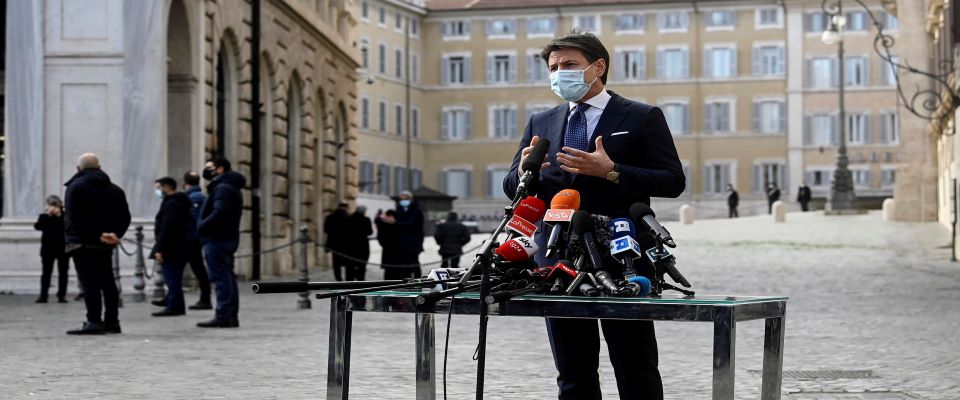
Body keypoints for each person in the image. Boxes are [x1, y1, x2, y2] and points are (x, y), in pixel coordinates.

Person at [503, 30, 685, 399]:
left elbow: (672, 181)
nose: (559, 74)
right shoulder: (541, 122)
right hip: (557, 258)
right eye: (553, 68)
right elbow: (513, 186)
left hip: (622, 253)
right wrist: (525, 173)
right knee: (572, 369)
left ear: (597, 67)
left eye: (568, 65)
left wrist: (611, 171)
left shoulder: (641, 116)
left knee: (635, 364)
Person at [64, 153, 132, 335]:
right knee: (108, 282)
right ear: (100, 168)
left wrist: (98, 234)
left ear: (78, 169)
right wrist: (114, 234)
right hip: (105, 244)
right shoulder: (115, 190)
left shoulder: (75, 187)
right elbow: (125, 217)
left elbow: (74, 217)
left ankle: (94, 320)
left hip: (82, 242)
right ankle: (112, 321)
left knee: (89, 283)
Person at [196, 156, 245, 328]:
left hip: (217, 238)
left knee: (221, 278)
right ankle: (230, 315)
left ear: (220, 169)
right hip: (226, 238)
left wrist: (201, 226)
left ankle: (223, 314)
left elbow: (219, 212)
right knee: (227, 276)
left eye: (209, 167)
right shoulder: (229, 187)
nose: (206, 170)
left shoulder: (223, 188)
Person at [150, 177, 193, 317]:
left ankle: (175, 306)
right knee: (174, 277)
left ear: (167, 187)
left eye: (160, 187)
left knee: (172, 278)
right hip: (180, 246)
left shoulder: (172, 204)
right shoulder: (178, 202)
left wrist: (159, 249)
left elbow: (166, 228)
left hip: (172, 247)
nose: (159, 190)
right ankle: (173, 303)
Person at [376, 191, 425, 280]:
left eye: (406, 198)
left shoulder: (416, 211)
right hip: (399, 247)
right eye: (401, 199)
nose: (403, 201)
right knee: (402, 270)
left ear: (410, 199)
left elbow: (411, 224)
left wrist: (395, 222)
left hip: (412, 245)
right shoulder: (398, 211)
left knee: (413, 267)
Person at [183, 171, 212, 309]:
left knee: (198, 268)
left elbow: (193, 221)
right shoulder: (201, 196)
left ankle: (205, 298)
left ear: (185, 183)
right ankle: (171, 296)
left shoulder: (193, 198)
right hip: (195, 238)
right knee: (183, 268)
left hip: (191, 239)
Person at [34, 195, 70, 303]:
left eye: (51, 205)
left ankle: (61, 295)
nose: (49, 208)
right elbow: (37, 226)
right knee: (46, 273)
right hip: (48, 249)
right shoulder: (44, 217)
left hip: (63, 249)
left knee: (63, 273)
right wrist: (48, 216)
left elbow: (69, 227)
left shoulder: (65, 216)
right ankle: (43, 295)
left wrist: (59, 215)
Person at [343, 205, 373, 281]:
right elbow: (370, 232)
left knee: (350, 266)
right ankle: (360, 281)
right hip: (362, 246)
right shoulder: (366, 219)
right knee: (361, 266)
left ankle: (349, 282)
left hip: (350, 246)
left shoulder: (348, 218)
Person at [323, 202, 350, 281]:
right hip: (346, 244)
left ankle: (338, 279)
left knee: (336, 263)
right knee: (347, 262)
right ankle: (348, 280)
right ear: (345, 208)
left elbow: (326, 230)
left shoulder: (330, 217)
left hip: (334, 243)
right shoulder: (348, 217)